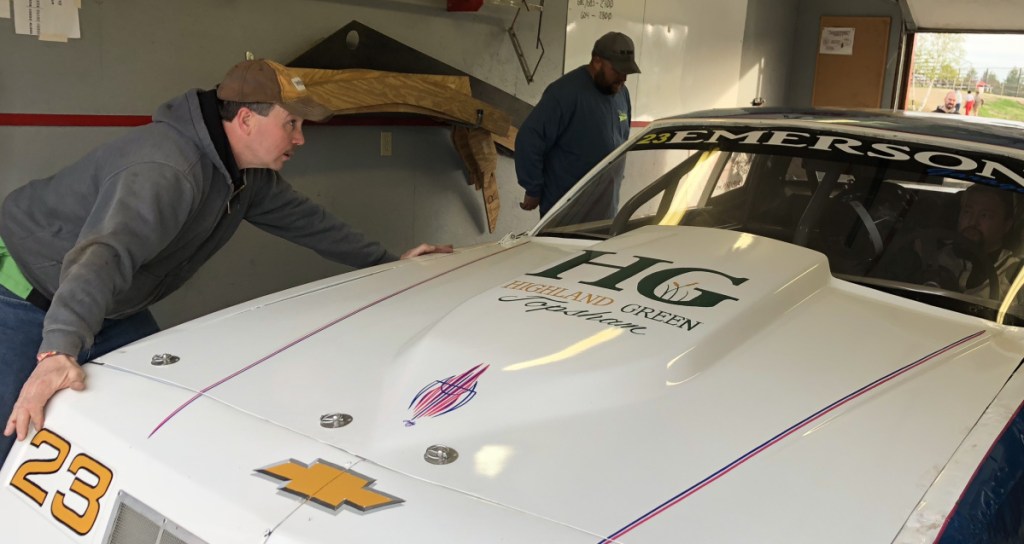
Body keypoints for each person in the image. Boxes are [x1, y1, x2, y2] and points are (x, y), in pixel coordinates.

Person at [0, 58, 452, 463]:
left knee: (150, 410)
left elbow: (309, 222)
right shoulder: (167, 169)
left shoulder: (245, 175)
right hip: (27, 290)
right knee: (16, 423)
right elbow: (103, 255)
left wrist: (388, 263)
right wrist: (59, 349)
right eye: (291, 124)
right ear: (246, 119)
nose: (300, 138)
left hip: (107, 302)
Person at [515, 31, 640, 217]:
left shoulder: (622, 93)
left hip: (605, 211)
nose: (623, 78)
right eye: (617, 71)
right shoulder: (564, 93)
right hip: (566, 214)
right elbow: (530, 138)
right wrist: (533, 188)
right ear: (597, 62)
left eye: (627, 72)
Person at [886, 184, 1021, 301]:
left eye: (985, 215)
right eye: (967, 212)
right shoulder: (932, 254)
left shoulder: (1016, 274)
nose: (973, 222)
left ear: (1006, 225)